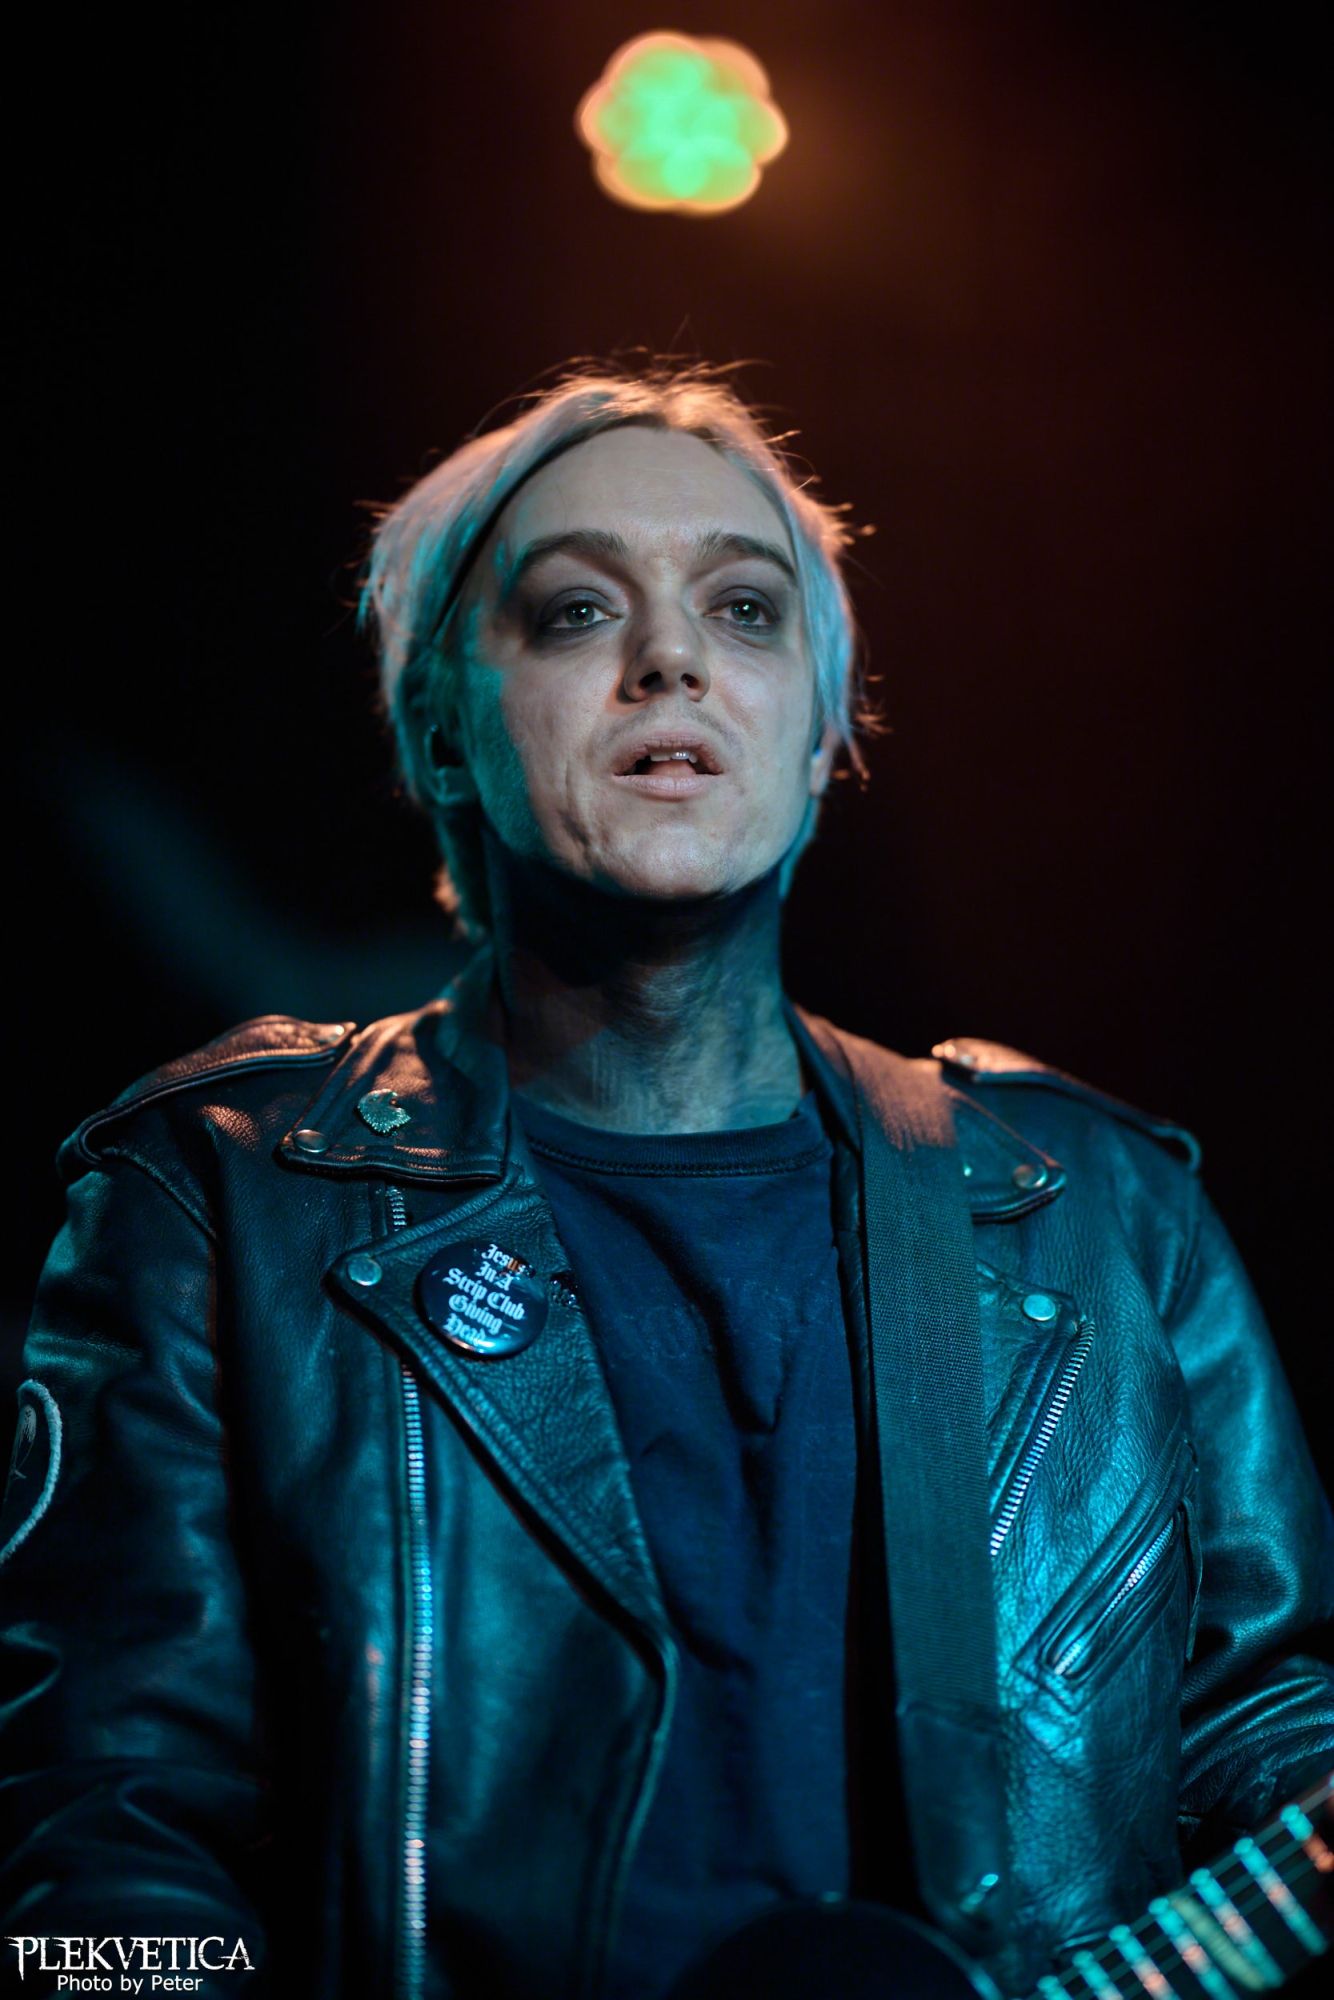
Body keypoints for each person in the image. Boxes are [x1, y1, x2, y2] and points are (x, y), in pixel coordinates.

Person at [1, 362, 1330, 2000]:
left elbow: (1263, 1731)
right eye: (574, 610)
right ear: (439, 730)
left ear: (821, 733)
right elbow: (99, 1844)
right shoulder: (220, 1194)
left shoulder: (1103, 1210)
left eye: (745, 610)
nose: (671, 659)